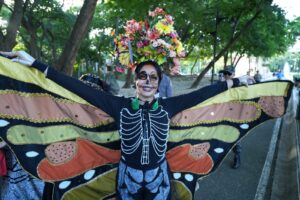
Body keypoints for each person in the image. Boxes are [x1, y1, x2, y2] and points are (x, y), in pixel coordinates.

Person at [0, 51, 248, 199]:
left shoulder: (169, 107)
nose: (147, 81)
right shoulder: (118, 105)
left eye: (153, 77)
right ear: (137, 81)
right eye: (142, 76)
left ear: (159, 83)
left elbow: (203, 95)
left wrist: (235, 83)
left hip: (159, 178)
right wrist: (35, 63)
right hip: (126, 177)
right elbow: (74, 88)